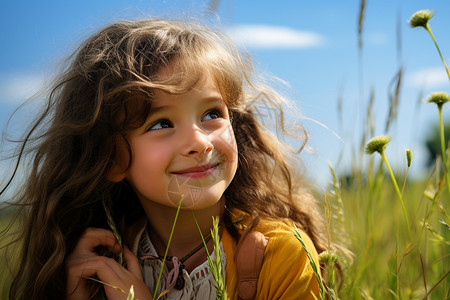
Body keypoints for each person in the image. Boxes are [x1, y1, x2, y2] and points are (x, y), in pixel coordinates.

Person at [2, 18, 332, 299]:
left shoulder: (278, 253)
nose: (200, 143)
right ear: (111, 159)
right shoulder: (105, 263)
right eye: (161, 123)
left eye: (212, 113)